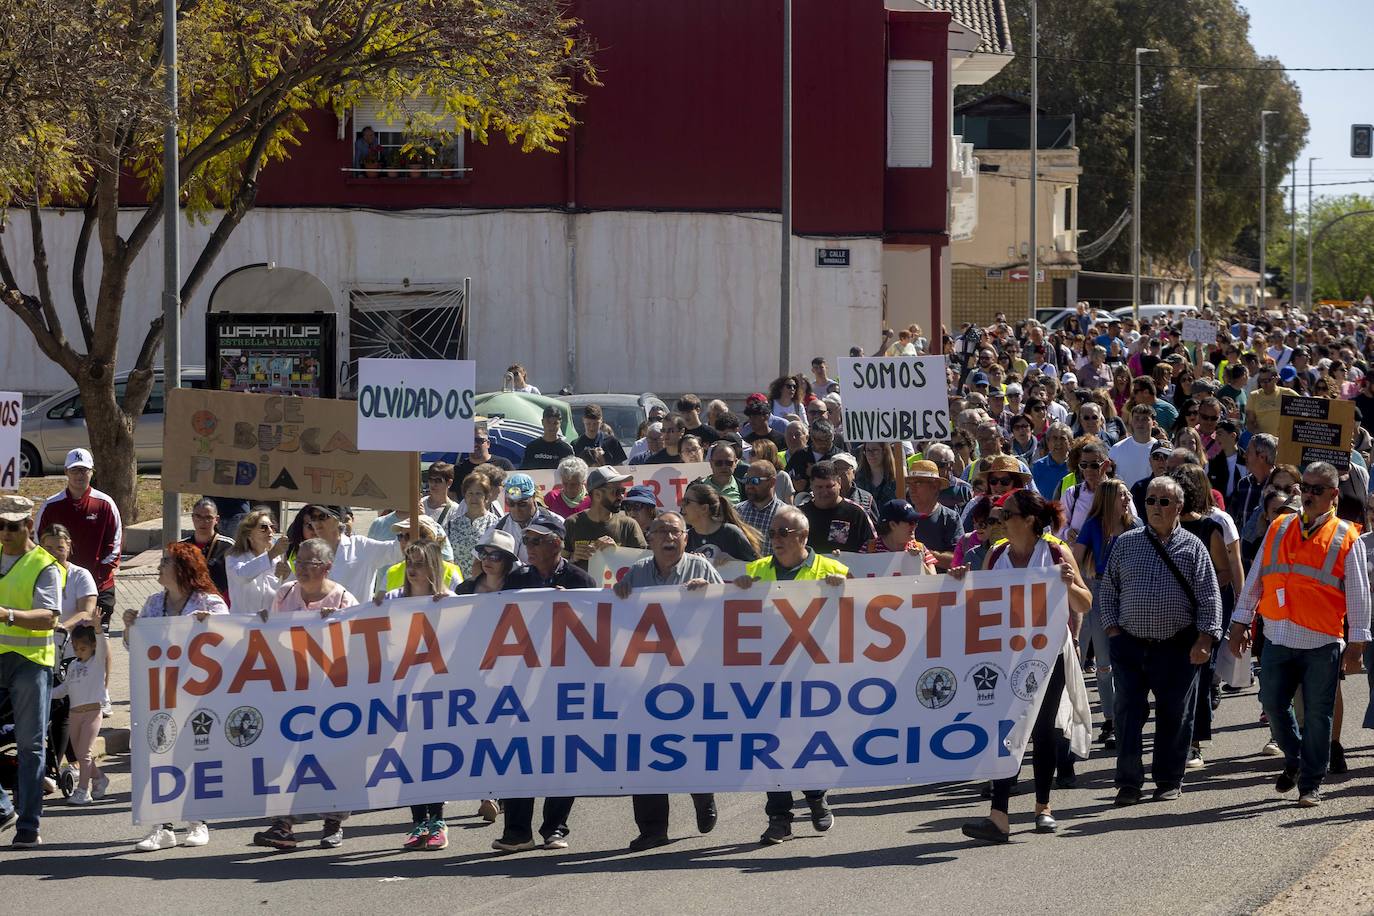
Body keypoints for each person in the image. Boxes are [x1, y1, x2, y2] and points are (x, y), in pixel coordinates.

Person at [1227, 461, 1368, 808]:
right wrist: (1240, 621)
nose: (1307, 494)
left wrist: (1357, 644)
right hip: (1277, 635)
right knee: (1273, 705)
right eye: (1304, 487)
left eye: (1317, 489)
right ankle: (1294, 757)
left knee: (1319, 715)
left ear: (1334, 495)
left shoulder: (1346, 535)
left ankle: (1310, 783)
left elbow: (1359, 595)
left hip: (1321, 641)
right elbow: (1257, 576)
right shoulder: (1279, 526)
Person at [957, 489, 1092, 843]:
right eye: (997, 517)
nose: (999, 523)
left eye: (1006, 516)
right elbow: (979, 600)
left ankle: (1042, 807)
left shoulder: (1054, 552)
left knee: (1044, 728)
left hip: (1048, 655)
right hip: (1006, 655)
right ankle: (999, 815)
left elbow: (1084, 602)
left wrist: (1065, 583)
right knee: (1004, 729)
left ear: (1029, 520)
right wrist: (959, 583)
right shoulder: (996, 554)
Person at [1098, 476, 1222, 806]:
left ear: (1178, 508)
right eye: (1151, 500)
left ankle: (1168, 779)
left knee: (1175, 715)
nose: (1155, 507)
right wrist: (1113, 631)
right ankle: (1128, 783)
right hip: (1130, 645)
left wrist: (1205, 639)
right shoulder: (1126, 543)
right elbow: (1108, 592)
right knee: (1126, 714)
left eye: (1164, 502)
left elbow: (1210, 597)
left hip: (1177, 646)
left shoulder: (1194, 547)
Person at [732, 506, 846, 844]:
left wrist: (844, 590)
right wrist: (738, 589)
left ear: (804, 537)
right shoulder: (756, 570)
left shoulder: (832, 569)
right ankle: (779, 818)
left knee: (806, 743)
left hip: (812, 673)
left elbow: (860, 615)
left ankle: (815, 796)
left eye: (785, 533)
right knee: (769, 746)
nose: (777, 539)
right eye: (774, 533)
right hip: (766, 675)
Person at [611, 512, 722, 849]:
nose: (668, 538)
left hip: (690, 674)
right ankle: (652, 829)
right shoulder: (638, 573)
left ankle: (703, 795)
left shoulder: (700, 568)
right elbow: (617, 616)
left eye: (675, 531)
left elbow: (731, 607)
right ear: (650, 539)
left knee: (687, 742)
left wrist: (712, 592)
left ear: (686, 538)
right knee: (644, 749)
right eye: (661, 532)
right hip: (645, 677)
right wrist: (616, 594)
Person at [252, 538, 357, 850]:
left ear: (326, 568)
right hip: (291, 691)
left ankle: (333, 823)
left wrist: (332, 628)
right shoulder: (284, 594)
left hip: (331, 693)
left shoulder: (343, 600)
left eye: (308, 564)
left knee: (332, 758)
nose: (300, 569)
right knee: (283, 757)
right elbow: (271, 635)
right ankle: (283, 824)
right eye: (298, 563)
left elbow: (354, 646)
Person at [125, 542, 229, 851]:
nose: (158, 567)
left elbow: (233, 638)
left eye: (165, 562)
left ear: (183, 569)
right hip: (161, 696)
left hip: (200, 697)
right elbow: (135, 648)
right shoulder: (154, 603)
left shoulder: (209, 603)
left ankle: (197, 821)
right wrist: (131, 627)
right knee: (158, 757)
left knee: (195, 756)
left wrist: (209, 627)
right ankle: (163, 826)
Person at [0, 495, 62, 848]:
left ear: (28, 527)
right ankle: (3, 807)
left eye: (11, 527)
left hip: (30, 663)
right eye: (0, 526)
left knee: (30, 746)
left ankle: (28, 824)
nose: (4, 533)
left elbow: (49, 618)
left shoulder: (44, 564)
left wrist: (6, 614)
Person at [1072, 478, 1139, 750]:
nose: (1128, 498)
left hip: (1132, 592)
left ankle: (1127, 716)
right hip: (1100, 590)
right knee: (1103, 663)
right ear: (1109, 497)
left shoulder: (1135, 526)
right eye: (1123, 494)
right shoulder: (1092, 526)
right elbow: (1074, 560)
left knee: (1130, 659)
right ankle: (1110, 720)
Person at [34, 448, 121, 633]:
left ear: (91, 472)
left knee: (97, 643)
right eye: (74, 470)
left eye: (84, 470)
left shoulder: (105, 504)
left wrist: (94, 578)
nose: (79, 475)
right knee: (62, 641)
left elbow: (114, 546)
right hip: (58, 587)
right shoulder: (51, 506)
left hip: (99, 587)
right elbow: (37, 545)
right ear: (66, 472)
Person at [296, 504, 400, 606]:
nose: (317, 522)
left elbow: (396, 551)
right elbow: (295, 589)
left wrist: (410, 520)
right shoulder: (308, 551)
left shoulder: (361, 546)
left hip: (354, 621)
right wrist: (282, 576)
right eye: (313, 518)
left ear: (337, 520)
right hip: (318, 621)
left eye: (322, 516)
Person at [52, 624, 109, 806]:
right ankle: (99, 778)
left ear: (93, 646)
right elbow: (64, 689)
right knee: (80, 754)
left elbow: (103, 647)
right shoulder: (73, 666)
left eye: (83, 648)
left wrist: (98, 630)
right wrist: (45, 693)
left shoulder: (98, 662)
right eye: (76, 648)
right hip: (74, 715)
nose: (79, 652)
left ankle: (83, 791)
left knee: (84, 753)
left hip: (92, 712)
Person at [565, 467, 648, 570]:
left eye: (622, 491)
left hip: (617, 586)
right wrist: (573, 558)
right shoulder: (572, 523)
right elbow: (555, 565)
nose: (621, 497)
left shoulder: (628, 525)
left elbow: (645, 564)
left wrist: (617, 552)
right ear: (597, 495)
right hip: (582, 585)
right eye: (616, 492)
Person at [799, 461, 875, 553]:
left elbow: (872, 547)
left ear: (839, 482)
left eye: (829, 486)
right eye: (819, 487)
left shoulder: (856, 513)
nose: (825, 492)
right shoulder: (800, 515)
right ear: (811, 485)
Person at [376, 516, 463, 595]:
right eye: (400, 536)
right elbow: (380, 607)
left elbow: (460, 607)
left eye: (407, 536)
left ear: (427, 539)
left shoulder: (450, 572)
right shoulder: (391, 572)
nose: (402, 541)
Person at [508, 513, 598, 590]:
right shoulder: (516, 579)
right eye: (526, 540)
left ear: (556, 544)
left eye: (536, 541)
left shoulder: (582, 581)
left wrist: (571, 600)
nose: (529, 546)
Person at [224, 508, 287, 616]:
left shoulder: (279, 559)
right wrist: (271, 554)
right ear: (248, 533)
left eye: (272, 527)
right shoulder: (234, 557)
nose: (270, 531)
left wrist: (287, 576)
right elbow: (242, 576)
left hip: (269, 624)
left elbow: (289, 593)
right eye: (263, 527)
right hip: (242, 624)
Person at [680, 482, 760, 564]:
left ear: (704, 508)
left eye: (687, 501)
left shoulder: (731, 533)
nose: (681, 505)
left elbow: (756, 568)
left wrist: (735, 562)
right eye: (682, 500)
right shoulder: (684, 537)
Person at [906, 460, 963, 570]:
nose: (912, 489)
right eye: (910, 484)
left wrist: (924, 553)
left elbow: (958, 559)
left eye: (918, 483)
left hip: (942, 585)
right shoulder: (902, 518)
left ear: (935, 486)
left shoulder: (950, 518)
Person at [181, 498, 234, 600]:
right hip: (189, 606)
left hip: (220, 606)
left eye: (208, 517)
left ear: (216, 520)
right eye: (198, 516)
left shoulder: (228, 546)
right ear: (192, 517)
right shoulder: (182, 547)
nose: (203, 521)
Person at [864, 500, 937, 571]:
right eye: (911, 522)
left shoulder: (920, 549)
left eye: (916, 521)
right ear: (892, 525)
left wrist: (918, 561)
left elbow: (933, 580)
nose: (915, 526)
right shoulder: (869, 548)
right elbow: (853, 580)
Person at [448, 470, 501, 566]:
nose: (474, 498)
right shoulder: (451, 525)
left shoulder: (496, 524)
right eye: (470, 493)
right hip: (458, 579)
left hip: (484, 579)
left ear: (487, 496)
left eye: (478, 493)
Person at [1109, 405, 1160, 488]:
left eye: (1145, 419)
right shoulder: (1117, 448)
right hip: (1123, 499)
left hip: (1150, 499)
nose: (1140, 423)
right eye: (1137, 418)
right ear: (1131, 421)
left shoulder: (1160, 449)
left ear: (1154, 423)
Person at [522, 404, 576, 470]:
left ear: (560, 424)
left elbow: (571, 474)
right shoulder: (532, 447)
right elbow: (524, 471)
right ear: (542, 422)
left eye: (555, 423)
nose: (551, 426)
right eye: (548, 422)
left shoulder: (566, 449)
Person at [1031, 423, 1073, 500]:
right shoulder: (1037, 467)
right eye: (1055, 438)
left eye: (1062, 438)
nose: (1058, 443)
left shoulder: (1076, 465)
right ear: (1048, 441)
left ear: (1070, 442)